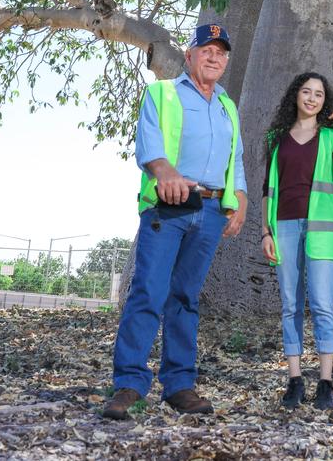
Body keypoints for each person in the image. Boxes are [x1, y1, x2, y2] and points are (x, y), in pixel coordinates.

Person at [103, 24, 248, 420]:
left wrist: (242, 199)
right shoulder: (162, 93)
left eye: (221, 52)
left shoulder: (228, 105)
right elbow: (149, 144)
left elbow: (235, 158)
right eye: (206, 50)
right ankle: (129, 383)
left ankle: (179, 385)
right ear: (190, 55)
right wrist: (164, 171)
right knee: (148, 291)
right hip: (169, 207)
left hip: (213, 211)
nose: (214, 57)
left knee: (185, 297)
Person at [261, 72, 333, 411]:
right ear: (296, 95)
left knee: (321, 304)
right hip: (284, 226)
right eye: (306, 91)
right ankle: (295, 379)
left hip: (321, 230)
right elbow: (267, 189)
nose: (312, 98)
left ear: (324, 100)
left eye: (318, 94)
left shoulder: (331, 137)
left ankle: (326, 382)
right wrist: (266, 231)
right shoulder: (277, 138)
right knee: (290, 304)